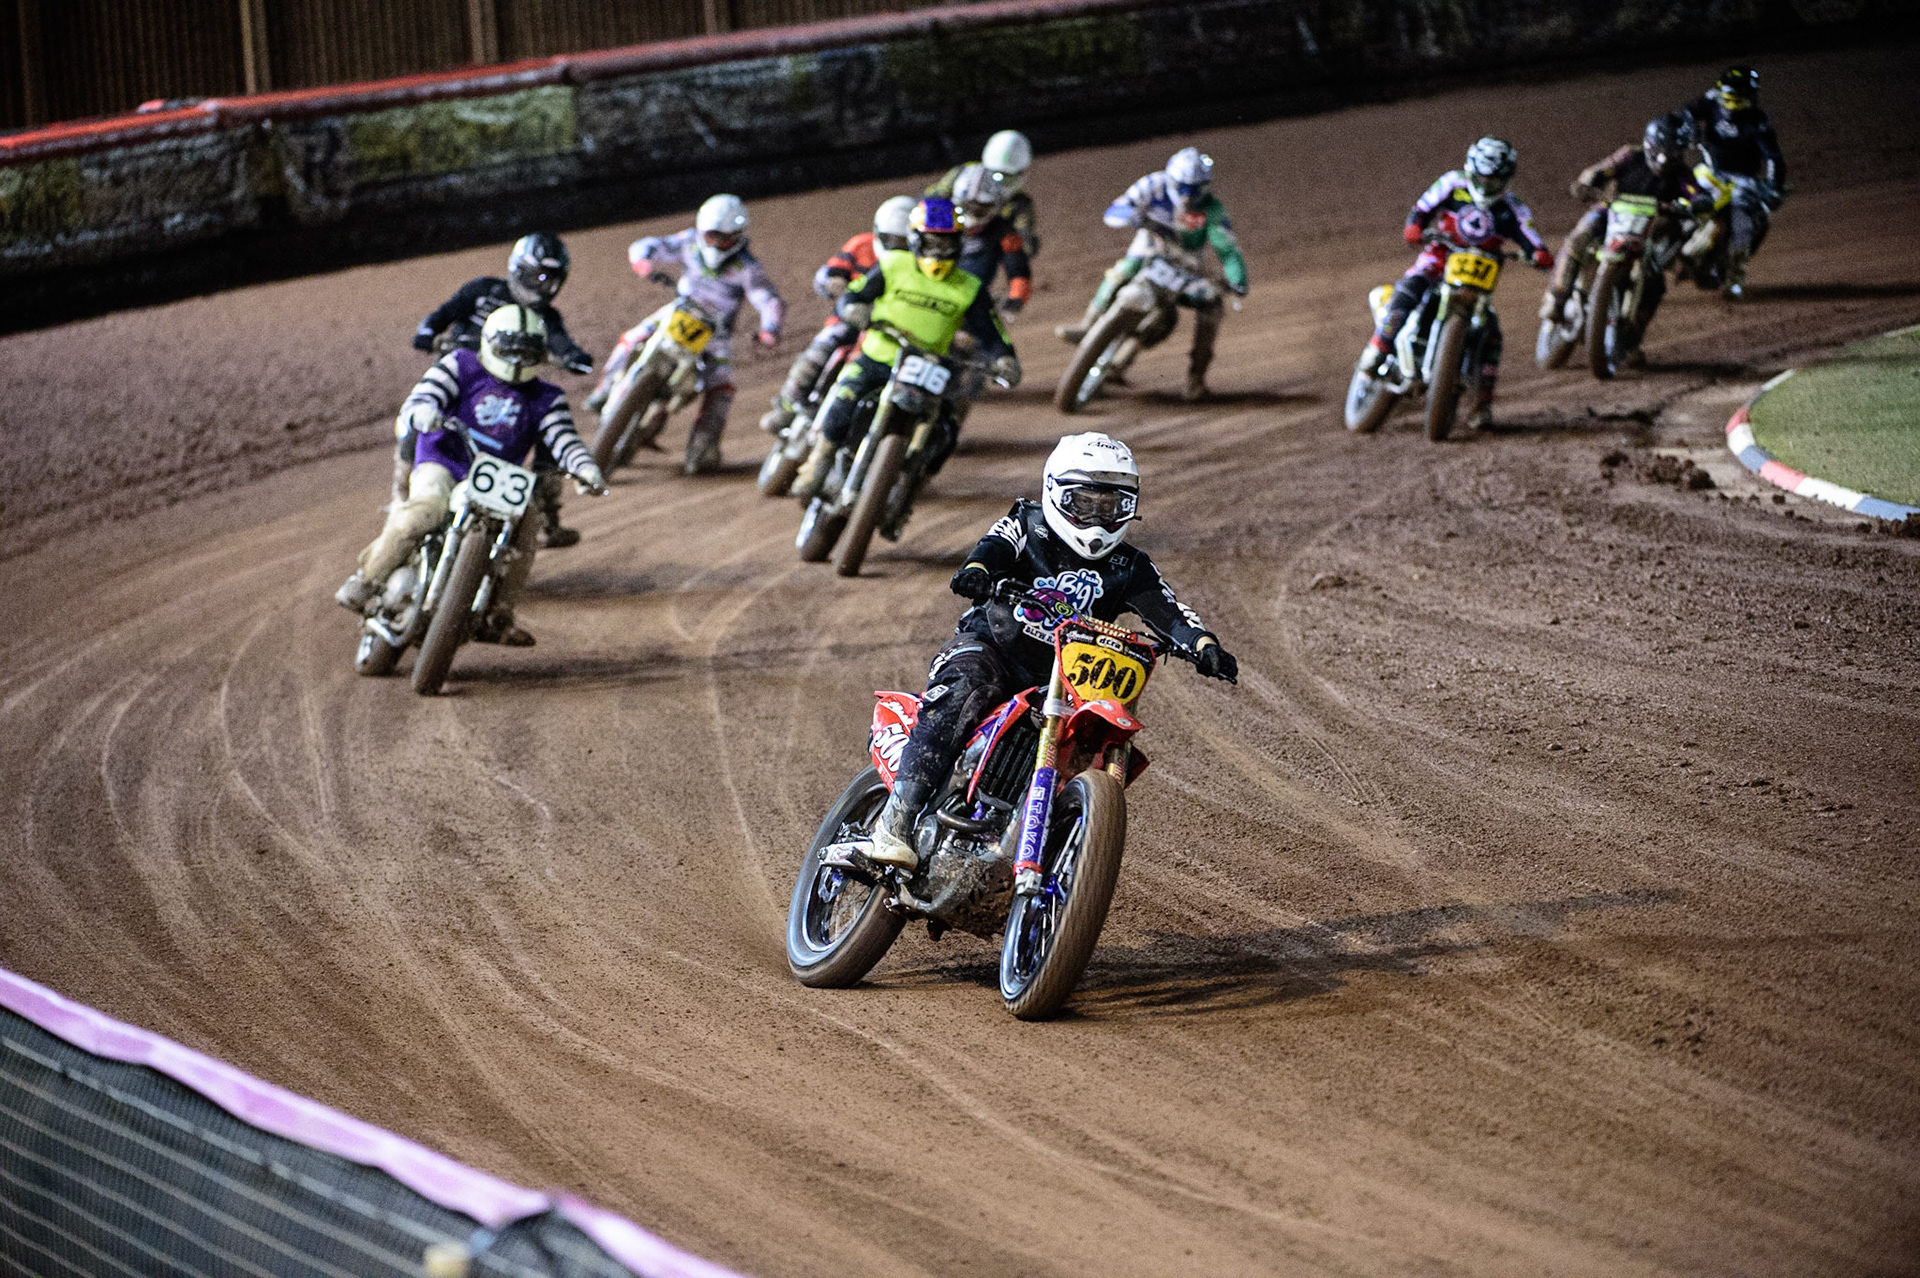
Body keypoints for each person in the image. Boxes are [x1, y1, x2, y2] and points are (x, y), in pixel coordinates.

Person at [865, 432, 1237, 868]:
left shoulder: (1129, 566)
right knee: (968, 685)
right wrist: (979, 571)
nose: (1098, 518)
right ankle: (897, 818)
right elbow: (992, 549)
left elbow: (1170, 610)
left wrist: (1202, 643)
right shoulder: (1027, 524)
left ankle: (1058, 844)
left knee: (1088, 742)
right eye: (1085, 503)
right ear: (1055, 493)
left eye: (1112, 506)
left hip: (1065, 684)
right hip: (990, 648)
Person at [337, 305, 606, 647]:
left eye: (528, 351)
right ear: (490, 342)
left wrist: (585, 468)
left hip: (497, 478)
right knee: (423, 513)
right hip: (443, 461)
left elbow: (564, 438)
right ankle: (367, 581)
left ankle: (499, 615)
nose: (520, 359)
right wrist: (423, 411)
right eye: (512, 348)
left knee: (527, 527)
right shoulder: (461, 365)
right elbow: (424, 395)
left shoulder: (547, 398)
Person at [792, 197, 1020, 498]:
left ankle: (913, 484)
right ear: (915, 238)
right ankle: (818, 460)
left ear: (959, 243)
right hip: (880, 356)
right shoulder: (893, 264)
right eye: (932, 242)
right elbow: (856, 294)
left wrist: (1005, 358)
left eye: (947, 243)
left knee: (946, 431)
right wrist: (853, 309)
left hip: (934, 366)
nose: (939, 250)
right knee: (842, 403)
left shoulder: (970, 286)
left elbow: (992, 332)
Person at [409, 232, 592, 548]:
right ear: (520, 268)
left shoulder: (548, 318)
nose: (544, 285)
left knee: (547, 429)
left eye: (552, 279)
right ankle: (405, 495)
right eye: (539, 275)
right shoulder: (482, 291)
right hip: (462, 385)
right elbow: (443, 315)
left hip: (513, 390)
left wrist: (574, 357)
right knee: (417, 420)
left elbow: (563, 344)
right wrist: (427, 333)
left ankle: (546, 516)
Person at [1357, 137, 1553, 430]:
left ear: (1506, 178)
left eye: (1494, 179)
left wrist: (1539, 254)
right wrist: (1415, 227)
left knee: (1492, 334)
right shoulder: (1452, 184)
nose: (1487, 184)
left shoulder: (1512, 208)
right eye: (1482, 177)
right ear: (1471, 170)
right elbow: (1421, 209)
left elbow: (1531, 237)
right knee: (1408, 292)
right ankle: (1377, 349)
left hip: (1478, 278)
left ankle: (1480, 404)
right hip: (1438, 258)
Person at [588, 194, 784, 474]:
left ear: (739, 235)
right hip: (677, 312)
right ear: (703, 230)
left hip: (716, 334)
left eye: (726, 238)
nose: (718, 243)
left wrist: (770, 329)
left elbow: (768, 299)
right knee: (631, 339)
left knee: (722, 386)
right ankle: (603, 392)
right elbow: (648, 246)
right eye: (713, 236)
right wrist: (643, 260)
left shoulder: (748, 267)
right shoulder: (689, 242)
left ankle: (703, 446)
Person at [1055, 146, 1248, 401]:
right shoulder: (1153, 185)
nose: (1188, 195)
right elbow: (1116, 210)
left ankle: (1195, 380)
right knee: (1124, 269)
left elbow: (1228, 250)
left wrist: (1238, 279)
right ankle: (1089, 323)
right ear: (1171, 179)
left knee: (1212, 306)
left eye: (1195, 188)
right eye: (1183, 187)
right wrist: (1132, 216)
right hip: (1150, 247)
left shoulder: (1211, 209)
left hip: (1186, 264)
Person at [758, 195, 915, 436]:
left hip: (887, 331)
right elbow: (831, 273)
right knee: (819, 352)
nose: (897, 246)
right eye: (891, 239)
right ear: (878, 232)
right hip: (848, 321)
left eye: (903, 242)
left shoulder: (918, 265)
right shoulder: (861, 245)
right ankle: (788, 406)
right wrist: (834, 284)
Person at [1541, 112, 1702, 327]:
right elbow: (1600, 170)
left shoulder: (1682, 173)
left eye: (1676, 152)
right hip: (1611, 211)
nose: (1669, 157)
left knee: (1655, 282)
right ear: (1652, 145)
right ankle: (1556, 300)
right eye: (1666, 151)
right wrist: (1587, 183)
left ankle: (1630, 338)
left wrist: (1700, 203)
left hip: (1652, 227)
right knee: (1577, 240)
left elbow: (1695, 193)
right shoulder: (1630, 155)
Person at [1680, 66, 1786, 298]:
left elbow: (1773, 157)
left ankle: (1733, 278)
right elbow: (1686, 112)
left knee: (1743, 225)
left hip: (1742, 182)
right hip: (1709, 171)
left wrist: (1775, 186)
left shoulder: (1759, 122)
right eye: (1729, 99)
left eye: (1740, 100)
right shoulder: (1710, 100)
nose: (1733, 105)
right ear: (1720, 93)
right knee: (1678, 195)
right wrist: (1689, 127)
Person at [928, 129, 1040, 260]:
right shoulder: (1019, 201)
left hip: (962, 246)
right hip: (959, 243)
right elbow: (1028, 246)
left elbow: (930, 197)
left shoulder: (963, 171)